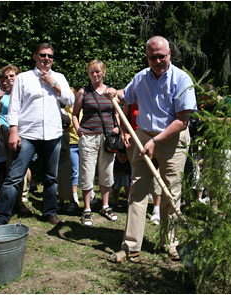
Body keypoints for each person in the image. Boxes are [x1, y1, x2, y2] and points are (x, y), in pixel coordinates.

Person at [105, 36, 197, 262]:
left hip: (172, 139)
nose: (157, 60)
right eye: (152, 57)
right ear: (147, 57)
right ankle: (130, 245)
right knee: (137, 191)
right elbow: (125, 95)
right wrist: (111, 91)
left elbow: (182, 120)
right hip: (143, 136)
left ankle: (170, 242)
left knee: (170, 192)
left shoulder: (181, 79)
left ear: (169, 55)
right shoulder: (140, 78)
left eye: (161, 56)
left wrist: (156, 142)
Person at [0, 43, 75, 227]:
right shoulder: (23, 78)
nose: (47, 59)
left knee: (51, 177)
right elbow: (14, 106)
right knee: (14, 176)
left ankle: (50, 212)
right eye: (43, 55)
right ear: (35, 56)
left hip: (52, 133)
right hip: (27, 134)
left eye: (50, 56)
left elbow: (69, 100)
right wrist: (13, 131)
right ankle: (0, 217)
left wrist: (53, 84)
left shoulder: (59, 77)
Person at [72, 59, 120, 227]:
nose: (95, 74)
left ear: (104, 73)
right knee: (87, 171)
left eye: (98, 71)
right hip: (89, 137)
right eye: (92, 72)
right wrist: (78, 129)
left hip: (108, 137)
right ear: (88, 74)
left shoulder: (110, 92)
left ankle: (105, 206)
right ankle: (86, 208)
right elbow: (74, 113)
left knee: (107, 171)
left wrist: (117, 127)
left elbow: (117, 112)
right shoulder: (83, 92)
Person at [0, 65, 31, 215]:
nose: (9, 79)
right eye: (6, 77)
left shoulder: (24, 94)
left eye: (12, 76)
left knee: (19, 168)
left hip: (20, 134)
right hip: (2, 134)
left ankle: (18, 201)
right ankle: (2, 201)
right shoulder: (1, 95)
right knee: (3, 168)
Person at [198, 84, 231, 211]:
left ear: (213, 95)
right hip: (210, 148)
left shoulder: (228, 102)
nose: (205, 103)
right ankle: (214, 211)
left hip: (224, 147)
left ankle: (223, 213)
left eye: (206, 99)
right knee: (210, 182)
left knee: (225, 182)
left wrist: (211, 120)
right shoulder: (208, 108)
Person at [122, 102, 162, 224]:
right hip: (134, 140)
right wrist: (125, 133)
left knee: (155, 175)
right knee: (137, 174)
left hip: (153, 140)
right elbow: (124, 117)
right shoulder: (131, 98)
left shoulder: (153, 97)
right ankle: (136, 210)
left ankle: (156, 209)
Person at [65, 87, 81, 212]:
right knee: (74, 170)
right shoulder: (63, 111)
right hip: (71, 144)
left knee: (86, 170)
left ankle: (90, 195)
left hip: (83, 143)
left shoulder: (82, 110)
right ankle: (74, 198)